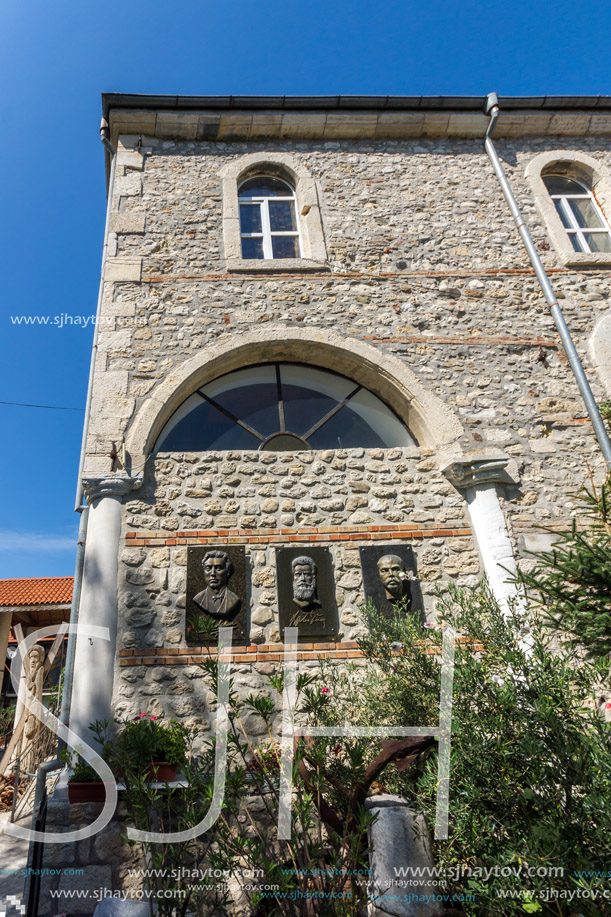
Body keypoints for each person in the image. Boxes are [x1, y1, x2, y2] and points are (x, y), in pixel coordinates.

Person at [193, 550, 240, 620]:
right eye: (208, 568)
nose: (212, 573)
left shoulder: (234, 599)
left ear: (227, 572)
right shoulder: (198, 598)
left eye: (218, 568)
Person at [289, 555, 324, 626]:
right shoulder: (289, 605)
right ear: (293, 578)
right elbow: (289, 635)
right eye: (298, 574)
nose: (302, 579)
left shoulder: (317, 604)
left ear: (313, 577)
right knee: (290, 636)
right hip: (293, 630)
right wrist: (290, 637)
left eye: (307, 574)